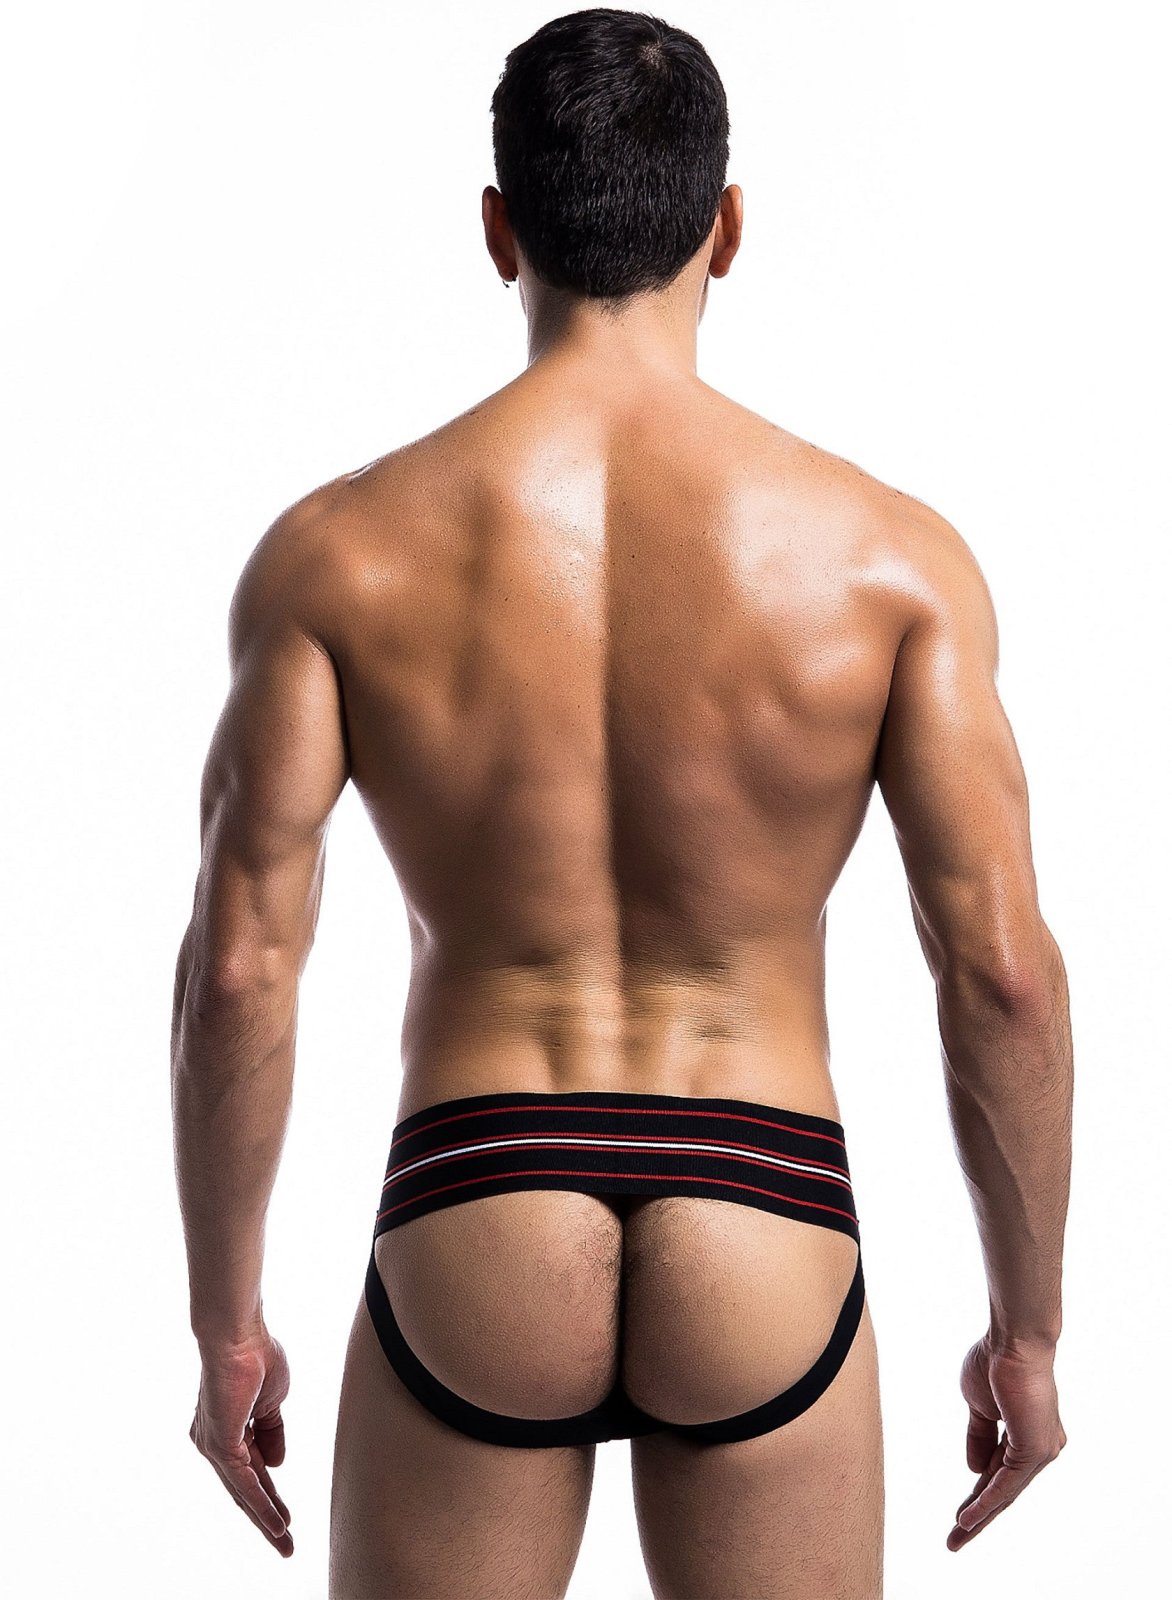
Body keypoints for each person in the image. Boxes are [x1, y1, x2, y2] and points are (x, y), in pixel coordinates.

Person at [170, 8, 1072, 1596]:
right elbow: (999, 971)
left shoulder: (339, 556)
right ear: (727, 229)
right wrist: (1031, 1330)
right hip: (766, 1205)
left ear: (498, 229)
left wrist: (225, 1324)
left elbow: (242, 966)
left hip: (478, 1190)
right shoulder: (889, 563)